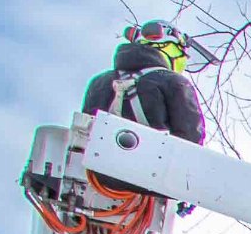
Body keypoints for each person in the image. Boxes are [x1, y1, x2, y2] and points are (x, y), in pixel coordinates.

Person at [79, 21, 207, 144]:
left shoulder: (99, 82)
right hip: (155, 163)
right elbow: (191, 138)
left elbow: (84, 132)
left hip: (98, 161)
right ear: (170, 47)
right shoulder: (174, 81)